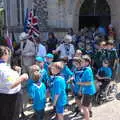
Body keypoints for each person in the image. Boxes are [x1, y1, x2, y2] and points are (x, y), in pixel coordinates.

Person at [0, 46, 28, 120]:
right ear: (4, 55)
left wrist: (16, 72)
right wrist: (23, 77)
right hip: (9, 98)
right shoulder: (3, 69)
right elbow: (11, 84)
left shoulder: (4, 67)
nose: (9, 56)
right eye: (8, 54)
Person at [77, 55, 96, 120]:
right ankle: (90, 112)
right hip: (89, 90)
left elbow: (89, 83)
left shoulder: (87, 70)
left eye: (82, 61)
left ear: (87, 62)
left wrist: (80, 83)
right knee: (88, 103)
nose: (81, 63)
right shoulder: (86, 69)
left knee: (84, 107)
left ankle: (87, 118)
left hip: (88, 91)